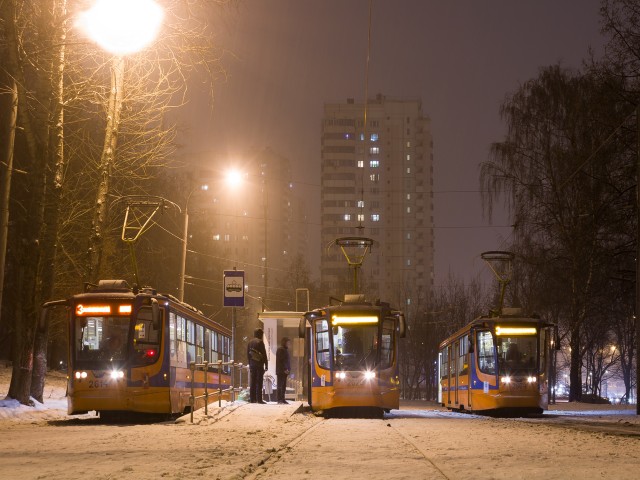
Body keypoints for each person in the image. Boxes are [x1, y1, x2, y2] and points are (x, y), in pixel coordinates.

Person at [247, 328, 268, 404]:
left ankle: (252, 399)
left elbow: (248, 354)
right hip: (259, 364)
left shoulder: (250, 342)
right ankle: (259, 399)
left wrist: (250, 364)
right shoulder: (260, 342)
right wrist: (266, 365)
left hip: (252, 364)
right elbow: (264, 354)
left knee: (252, 382)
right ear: (259, 334)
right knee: (259, 382)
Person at [276, 337, 291, 404]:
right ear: (284, 342)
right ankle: (279, 399)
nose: (289, 344)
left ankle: (283, 399)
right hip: (281, 371)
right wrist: (285, 369)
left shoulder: (285, 350)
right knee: (280, 385)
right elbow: (281, 361)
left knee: (283, 386)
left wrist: (288, 369)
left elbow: (286, 361)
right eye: (288, 342)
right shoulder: (281, 350)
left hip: (284, 371)